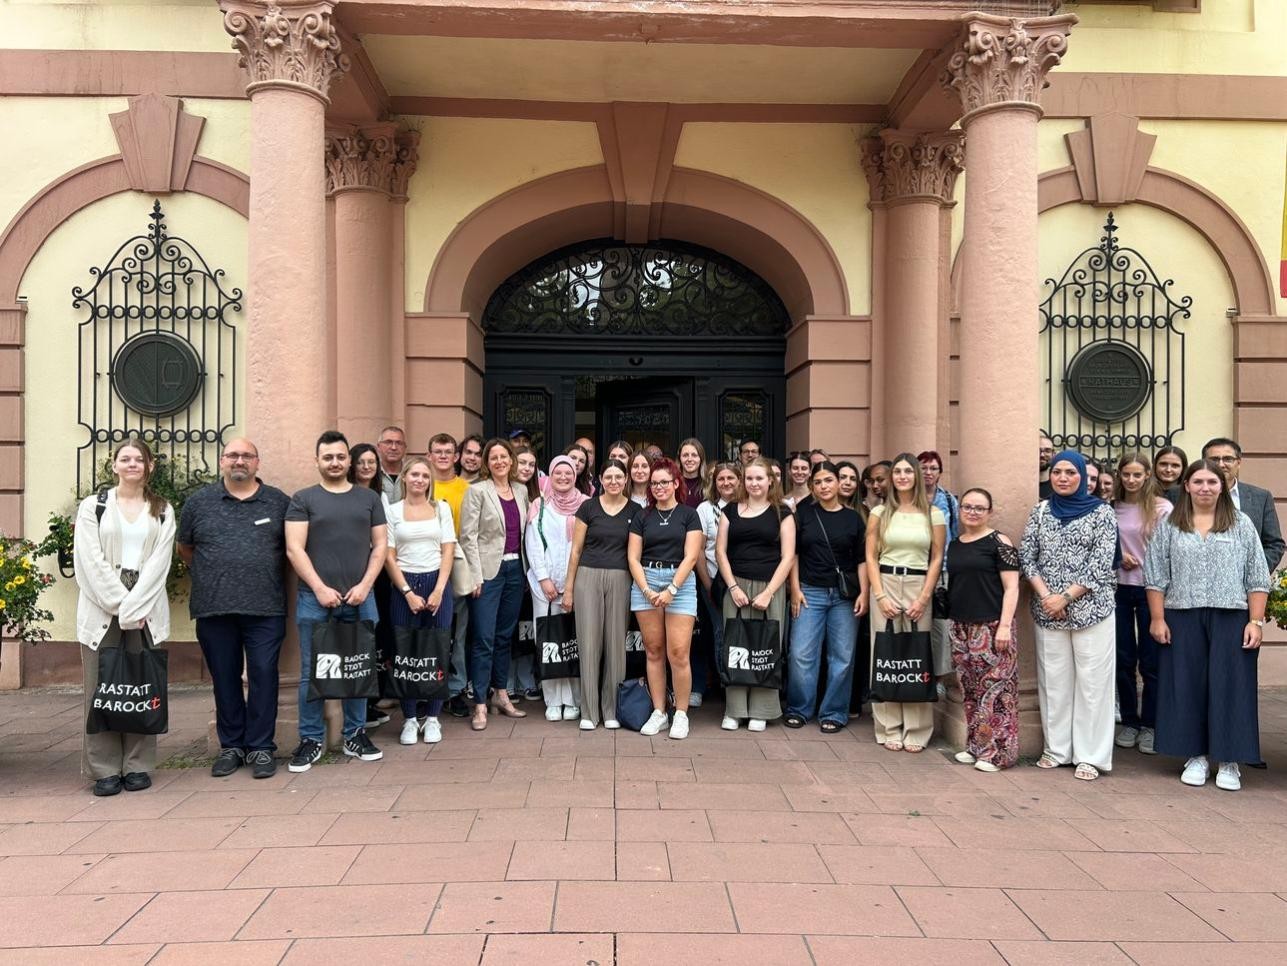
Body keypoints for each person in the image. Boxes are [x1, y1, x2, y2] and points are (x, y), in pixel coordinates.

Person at [1145, 459, 1271, 792]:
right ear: (1186, 486)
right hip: (1182, 616)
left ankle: (1230, 761)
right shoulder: (1171, 525)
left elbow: (1257, 577)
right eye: (1198, 481)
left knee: (1232, 687)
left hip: (1231, 617)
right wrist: (1157, 618)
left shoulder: (1241, 524)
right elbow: (1155, 575)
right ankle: (1196, 756)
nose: (1205, 488)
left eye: (1211, 482)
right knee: (1186, 685)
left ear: (1222, 486)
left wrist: (1255, 621)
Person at [177, 438, 289, 780]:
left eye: (246, 456)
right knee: (224, 679)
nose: (239, 461)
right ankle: (232, 747)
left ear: (257, 463)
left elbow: (292, 550)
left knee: (263, 676)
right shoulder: (198, 503)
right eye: (232, 455)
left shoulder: (279, 502)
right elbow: (185, 549)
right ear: (222, 461)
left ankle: (260, 747)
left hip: (265, 608)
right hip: (214, 608)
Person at [74, 438, 176, 796]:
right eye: (125, 459)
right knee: (101, 689)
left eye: (139, 459)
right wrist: (121, 605)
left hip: (147, 609)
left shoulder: (163, 509)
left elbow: (160, 564)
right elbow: (89, 561)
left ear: (150, 467)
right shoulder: (94, 507)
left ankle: (137, 765)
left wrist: (136, 609)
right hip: (102, 608)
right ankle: (103, 769)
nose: (132, 464)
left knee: (141, 685)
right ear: (114, 465)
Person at [285, 431, 387, 772]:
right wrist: (319, 588)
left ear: (349, 460)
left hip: (361, 597)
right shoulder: (303, 499)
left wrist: (365, 585)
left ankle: (355, 734)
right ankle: (311, 739)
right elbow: (294, 548)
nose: (335, 462)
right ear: (317, 461)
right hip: (315, 599)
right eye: (328, 457)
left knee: (359, 668)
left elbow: (380, 546)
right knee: (311, 673)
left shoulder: (368, 499)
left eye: (341, 457)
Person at [1020, 450, 1118, 781]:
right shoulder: (1041, 511)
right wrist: (1047, 596)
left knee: (1093, 683)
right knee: (1055, 682)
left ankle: (1091, 755)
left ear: (1082, 477)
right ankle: (1057, 748)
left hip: (1092, 610)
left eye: (1070, 473)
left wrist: (1065, 597)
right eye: (1057, 472)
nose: (1062, 477)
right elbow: (1027, 557)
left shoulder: (1102, 513)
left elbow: (1102, 564)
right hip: (1047, 610)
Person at [864, 454, 943, 750]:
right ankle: (888, 726)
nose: (902, 476)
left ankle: (917, 728)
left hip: (918, 583)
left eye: (908, 471)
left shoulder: (932, 513)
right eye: (897, 471)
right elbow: (870, 555)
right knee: (884, 653)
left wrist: (924, 597)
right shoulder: (880, 512)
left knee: (915, 654)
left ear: (917, 476)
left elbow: (937, 556)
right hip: (884, 581)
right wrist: (880, 595)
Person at [787, 461, 868, 734]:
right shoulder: (803, 515)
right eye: (818, 482)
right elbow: (793, 555)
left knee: (842, 657)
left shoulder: (853, 518)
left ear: (838, 483)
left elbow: (861, 560)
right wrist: (795, 589)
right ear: (812, 486)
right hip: (810, 591)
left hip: (844, 596)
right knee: (801, 653)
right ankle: (799, 708)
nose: (823, 486)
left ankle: (834, 712)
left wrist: (864, 593)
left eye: (828, 481)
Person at [627, 457, 705, 739]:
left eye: (664, 482)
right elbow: (633, 557)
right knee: (654, 651)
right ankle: (659, 711)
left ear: (675, 483)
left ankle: (681, 713)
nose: (659, 487)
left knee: (678, 653)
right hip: (646, 581)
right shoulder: (642, 516)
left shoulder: (688, 514)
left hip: (680, 584)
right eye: (654, 483)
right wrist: (648, 590)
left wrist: (671, 589)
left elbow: (692, 556)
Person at [716, 458, 795, 731]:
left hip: (768, 588)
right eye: (749, 478)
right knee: (736, 648)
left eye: (759, 478)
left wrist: (769, 593)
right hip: (735, 586)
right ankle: (735, 709)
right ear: (743, 481)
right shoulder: (730, 510)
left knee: (765, 648)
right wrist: (733, 587)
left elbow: (788, 558)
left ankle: (762, 709)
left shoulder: (782, 513)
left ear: (770, 480)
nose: (754, 483)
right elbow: (720, 552)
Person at [946, 488, 1021, 771]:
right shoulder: (956, 543)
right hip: (961, 625)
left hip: (991, 625)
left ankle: (998, 755)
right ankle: (976, 745)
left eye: (979, 508)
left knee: (997, 691)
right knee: (971, 689)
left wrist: (1004, 626)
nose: (972, 512)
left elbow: (1012, 587)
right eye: (967, 507)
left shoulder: (999, 542)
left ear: (990, 512)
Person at [383, 455, 455, 745]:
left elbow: (448, 550)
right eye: (414, 475)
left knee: (437, 651)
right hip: (405, 585)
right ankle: (410, 718)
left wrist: (438, 590)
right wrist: (407, 592)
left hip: (437, 581)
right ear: (404, 478)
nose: (420, 480)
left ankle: (434, 717)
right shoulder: (393, 510)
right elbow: (388, 554)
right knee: (406, 653)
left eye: (425, 476)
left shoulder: (441, 510)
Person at [459, 438, 530, 730]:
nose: (500, 461)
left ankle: (501, 694)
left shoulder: (522, 490)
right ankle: (479, 703)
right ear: (488, 463)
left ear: (512, 460)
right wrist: (475, 575)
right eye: (494, 457)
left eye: (504, 456)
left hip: (516, 571)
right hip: (488, 573)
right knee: (483, 639)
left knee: (504, 636)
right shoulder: (477, 491)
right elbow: (468, 536)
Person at [564, 458, 638, 729]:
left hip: (620, 577)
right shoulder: (588, 507)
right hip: (587, 576)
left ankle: (611, 710)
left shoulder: (635, 510)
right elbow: (576, 550)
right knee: (588, 642)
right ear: (601, 480)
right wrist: (569, 588)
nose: (614, 482)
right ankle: (589, 712)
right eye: (609, 477)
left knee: (616, 644)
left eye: (619, 477)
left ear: (626, 478)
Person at [1111, 452, 1172, 756]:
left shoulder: (1162, 508)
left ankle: (1150, 724)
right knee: (1123, 659)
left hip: (1152, 590)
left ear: (1148, 475)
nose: (1131, 480)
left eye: (1137, 474)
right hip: (1120, 589)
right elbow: (1106, 544)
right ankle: (1130, 722)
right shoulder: (1111, 508)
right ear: (1120, 475)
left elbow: (1169, 549)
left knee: (1151, 661)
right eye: (1126, 474)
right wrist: (1118, 555)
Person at [526, 455, 589, 721]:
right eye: (558, 473)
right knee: (550, 641)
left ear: (576, 475)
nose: (563, 477)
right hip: (545, 587)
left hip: (577, 584)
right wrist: (543, 578)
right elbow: (533, 544)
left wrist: (572, 585)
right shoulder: (539, 506)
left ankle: (573, 699)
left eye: (569, 473)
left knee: (573, 641)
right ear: (550, 475)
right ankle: (553, 699)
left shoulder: (587, 506)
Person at [427, 433, 474, 718]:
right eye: (438, 451)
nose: (443, 456)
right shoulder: (420, 484)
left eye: (448, 451)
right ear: (429, 455)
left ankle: (455, 689)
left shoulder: (467, 488)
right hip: (423, 566)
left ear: (456, 456)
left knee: (457, 633)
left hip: (457, 567)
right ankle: (428, 688)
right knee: (427, 633)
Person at [1201, 437, 1285, 571]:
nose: (1221, 464)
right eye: (1215, 459)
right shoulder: (1184, 495)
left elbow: (1274, 544)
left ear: (1238, 463)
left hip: (1246, 587)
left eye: (1228, 459)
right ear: (1204, 463)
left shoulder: (1261, 497)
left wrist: (1255, 571)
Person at [919, 450, 962, 701]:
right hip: (914, 568)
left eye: (933, 468)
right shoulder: (907, 499)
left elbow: (955, 535)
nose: (928, 473)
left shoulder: (948, 500)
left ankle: (938, 678)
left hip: (943, 570)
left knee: (940, 628)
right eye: (923, 467)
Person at [507, 444, 541, 699]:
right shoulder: (506, 492)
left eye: (531, 464)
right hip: (510, 568)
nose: (526, 468)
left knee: (528, 628)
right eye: (522, 463)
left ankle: (527, 678)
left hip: (532, 572)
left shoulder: (538, 496)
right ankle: (506, 681)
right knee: (508, 627)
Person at [375, 426, 407, 504]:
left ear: (405, 448)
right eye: (388, 442)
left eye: (399, 443)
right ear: (378, 447)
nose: (393, 447)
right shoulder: (371, 473)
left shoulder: (412, 473)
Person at [678, 438, 708, 509]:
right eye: (685, 455)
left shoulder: (708, 484)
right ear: (679, 458)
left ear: (701, 459)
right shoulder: (673, 484)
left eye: (694, 455)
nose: (689, 459)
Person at [1038, 432, 1055, 500]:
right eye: (1038, 450)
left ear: (1053, 454)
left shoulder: (1058, 486)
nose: (1042, 455)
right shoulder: (1024, 484)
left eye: (1047, 451)